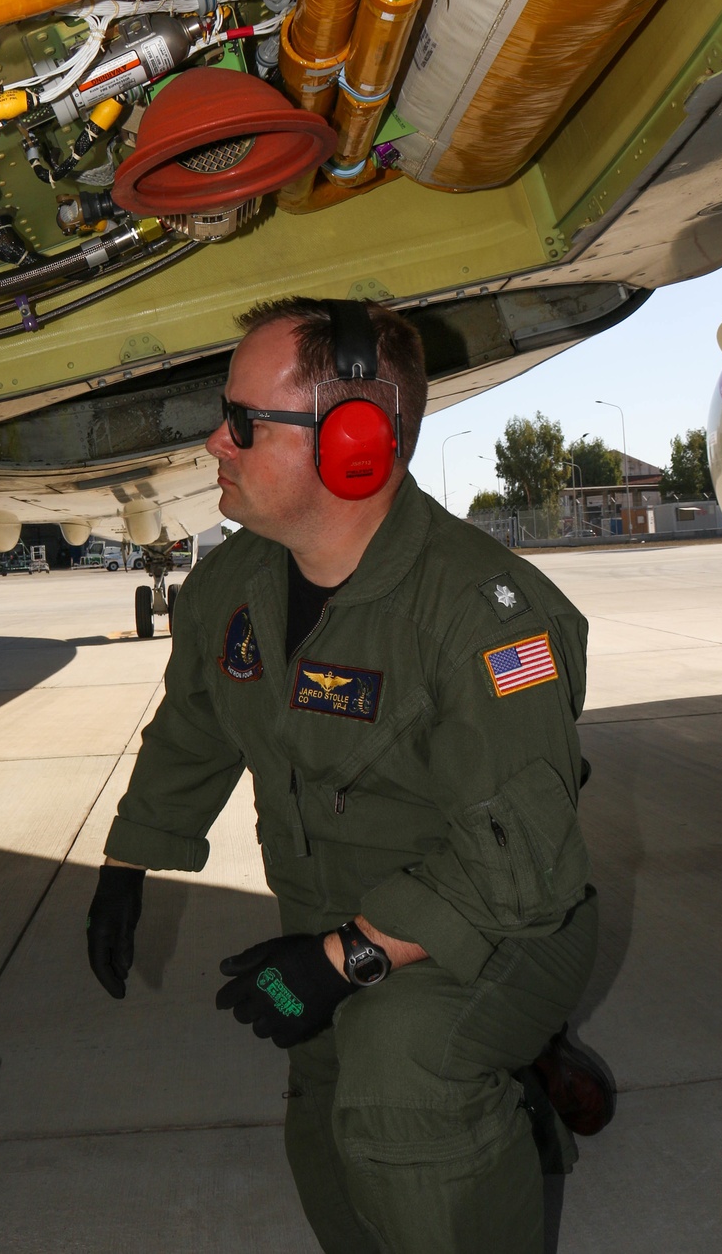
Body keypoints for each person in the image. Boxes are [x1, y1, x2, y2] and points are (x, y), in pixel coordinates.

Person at [86, 297, 599, 1254]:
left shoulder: (484, 616)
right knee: (326, 1130)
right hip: (332, 916)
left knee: (401, 1083)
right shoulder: (234, 587)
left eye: (242, 421)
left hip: (507, 927)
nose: (214, 445)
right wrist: (129, 863)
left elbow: (519, 870)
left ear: (352, 442)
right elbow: (196, 726)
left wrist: (343, 960)